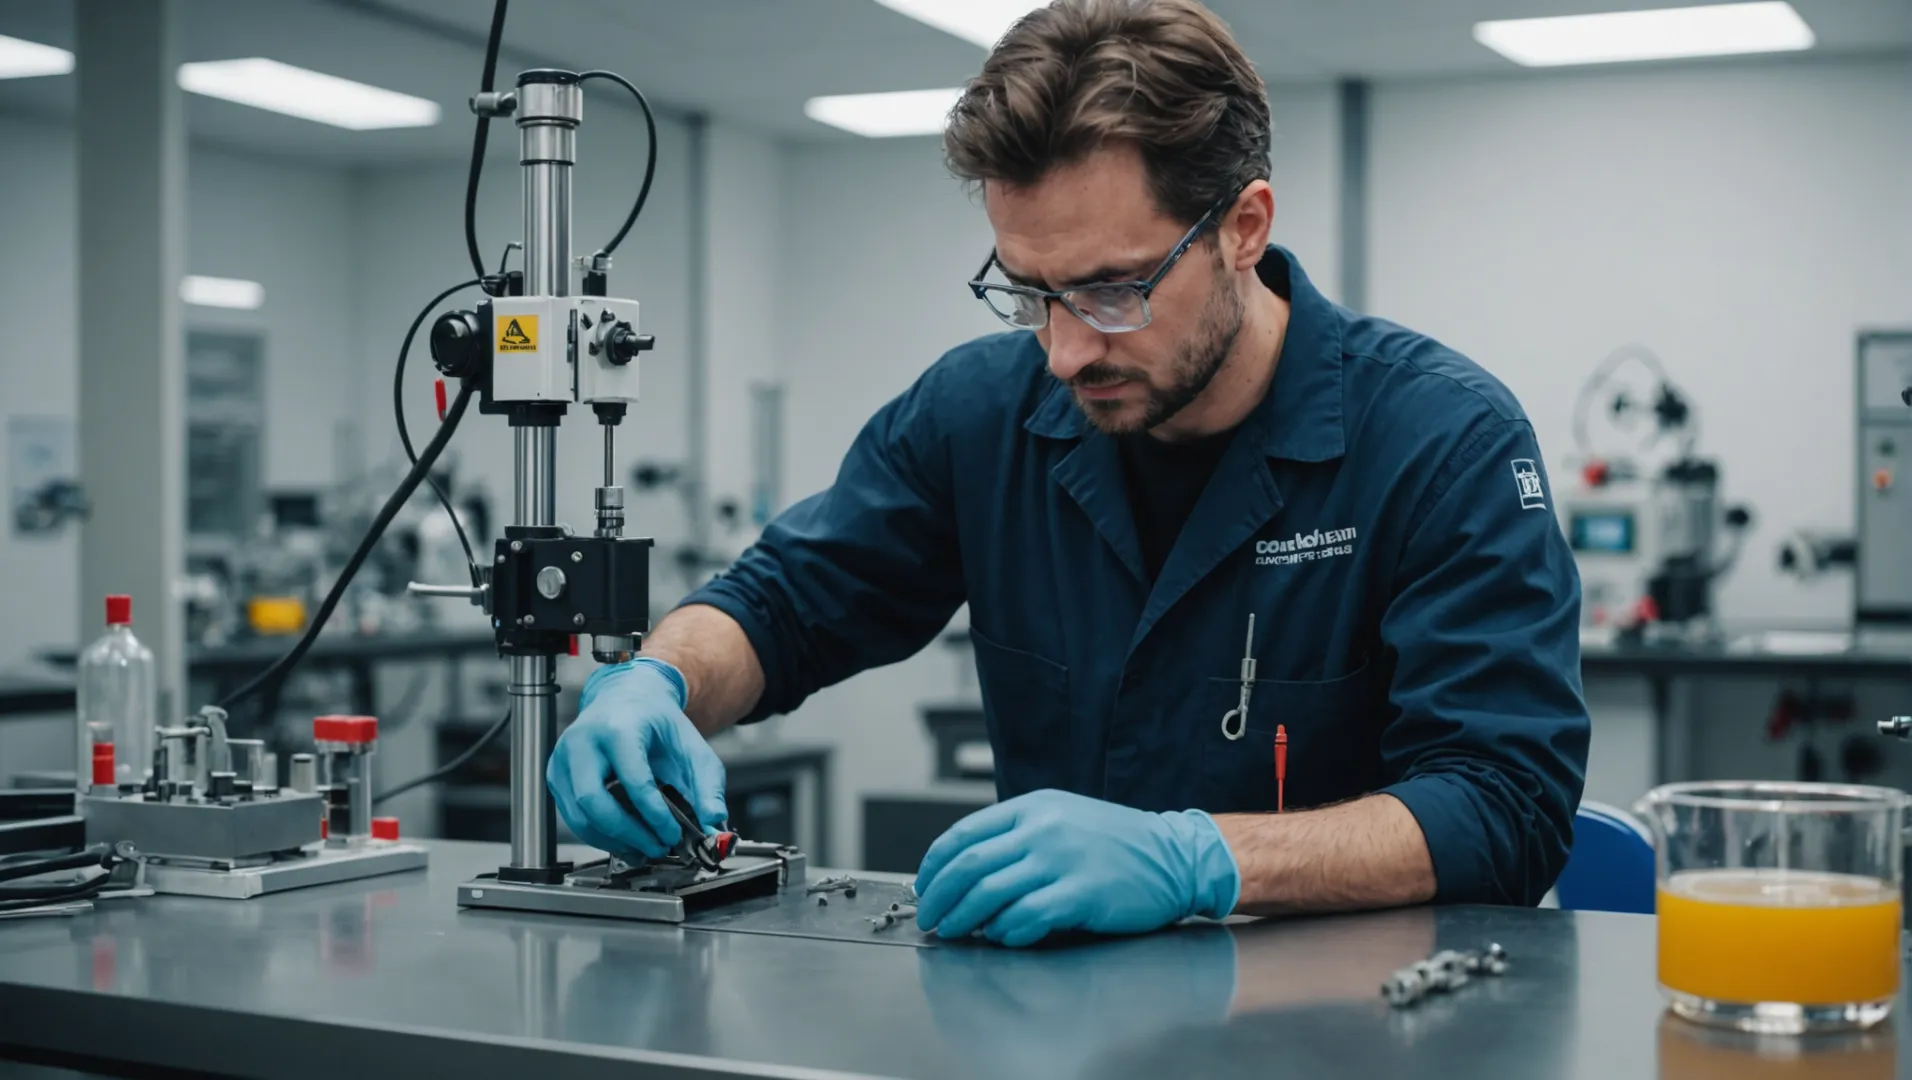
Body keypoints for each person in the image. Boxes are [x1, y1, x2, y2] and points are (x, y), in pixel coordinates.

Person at [548, 0, 1588, 947]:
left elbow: (1505, 805)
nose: (1063, 351)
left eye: (1109, 290)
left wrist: (1202, 860)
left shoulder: (1439, 439)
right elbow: (782, 603)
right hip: (1062, 1028)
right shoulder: (979, 414)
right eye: (1029, 290)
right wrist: (661, 680)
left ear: (1242, 226)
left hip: (1357, 1033)